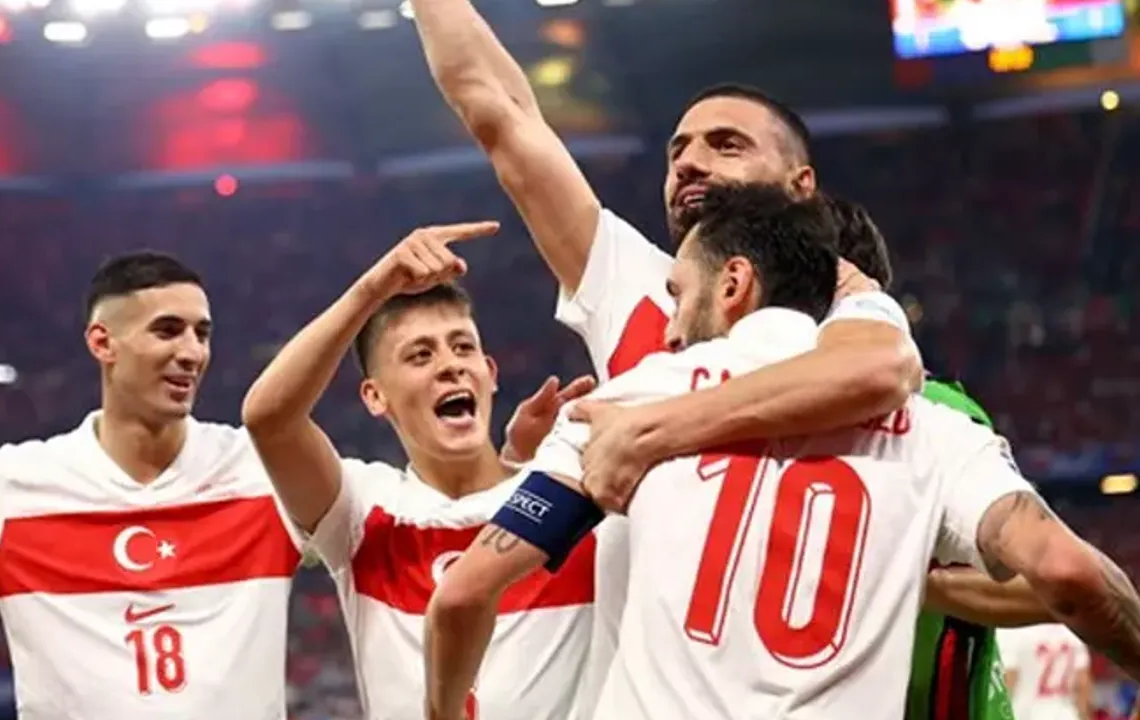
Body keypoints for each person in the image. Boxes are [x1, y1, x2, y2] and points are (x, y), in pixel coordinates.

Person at [403, 0, 1045, 711]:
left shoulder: (858, 329)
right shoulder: (645, 293)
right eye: (677, 151)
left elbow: (887, 376)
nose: (690, 162)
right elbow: (499, 112)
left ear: (802, 187)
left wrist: (654, 429)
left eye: (726, 145)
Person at [425, 185, 1140, 720]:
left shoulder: (625, 406)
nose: (669, 330)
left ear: (734, 283)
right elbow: (1069, 572)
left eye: (677, 294)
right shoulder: (933, 430)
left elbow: (463, 593)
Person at [0, 252, 304, 719]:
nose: (192, 352)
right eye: (167, 331)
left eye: (202, 333)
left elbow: (363, 528)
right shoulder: (14, 486)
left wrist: (358, 301)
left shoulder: (265, 470)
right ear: (102, 342)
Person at [241, 222, 599, 720]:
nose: (450, 365)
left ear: (490, 374)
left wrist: (524, 462)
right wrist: (373, 288)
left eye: (463, 347)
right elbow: (269, 419)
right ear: (375, 395)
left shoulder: (573, 493)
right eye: (420, 355)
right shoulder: (362, 510)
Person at [997, 624, 1093, 720]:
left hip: (1026, 714)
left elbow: (1009, 679)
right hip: (1065, 715)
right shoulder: (1071, 629)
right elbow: (1082, 683)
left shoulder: (1012, 630)